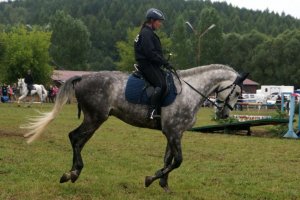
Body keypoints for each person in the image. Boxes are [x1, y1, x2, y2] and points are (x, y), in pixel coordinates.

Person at [134, 8, 171, 119]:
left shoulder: (148, 32)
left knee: (166, 80)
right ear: (152, 20)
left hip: (151, 64)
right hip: (147, 64)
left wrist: (164, 62)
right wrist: (163, 62)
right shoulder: (146, 33)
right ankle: (152, 111)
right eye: (159, 21)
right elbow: (150, 53)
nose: (160, 24)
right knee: (161, 84)